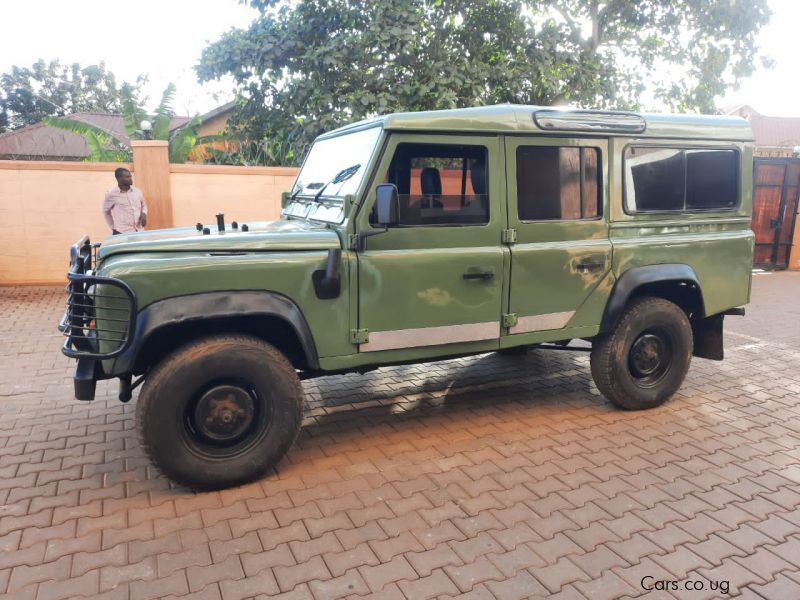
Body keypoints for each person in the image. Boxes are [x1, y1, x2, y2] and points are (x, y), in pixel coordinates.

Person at [103, 167, 148, 235]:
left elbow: (144, 205)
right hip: (122, 233)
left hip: (139, 231)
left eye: (130, 176)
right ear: (119, 179)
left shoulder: (137, 191)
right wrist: (113, 227)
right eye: (127, 177)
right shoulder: (111, 194)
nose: (130, 178)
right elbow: (106, 212)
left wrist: (144, 213)